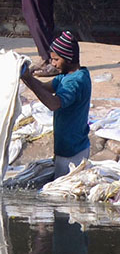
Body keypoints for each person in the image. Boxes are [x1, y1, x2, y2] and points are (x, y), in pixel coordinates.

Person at [21, 31, 91, 179]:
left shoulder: (75, 82)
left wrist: (28, 78)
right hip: (67, 148)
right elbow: (44, 87)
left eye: (56, 59)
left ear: (69, 58)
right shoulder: (66, 76)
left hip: (73, 153)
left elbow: (54, 104)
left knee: (65, 196)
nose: (52, 64)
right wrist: (26, 78)